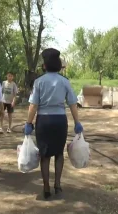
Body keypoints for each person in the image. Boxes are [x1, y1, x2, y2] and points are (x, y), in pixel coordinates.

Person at [24, 48, 84, 199]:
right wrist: (77, 122)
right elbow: (72, 103)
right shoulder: (65, 82)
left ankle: (46, 187)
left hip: (43, 121)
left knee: (45, 155)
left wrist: (28, 123)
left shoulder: (38, 82)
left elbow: (33, 105)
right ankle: (57, 184)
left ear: (44, 65)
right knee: (58, 153)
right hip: (59, 121)